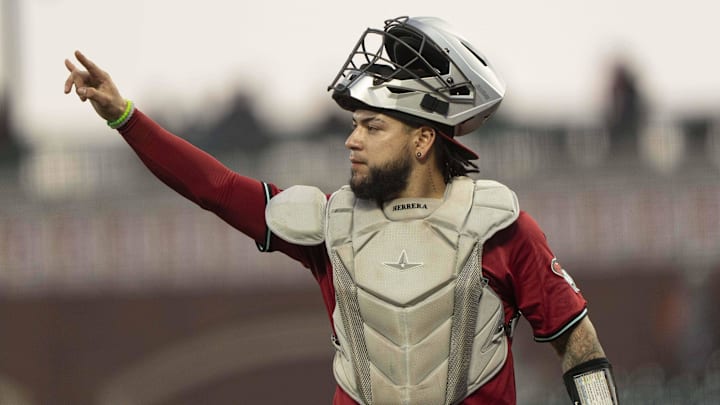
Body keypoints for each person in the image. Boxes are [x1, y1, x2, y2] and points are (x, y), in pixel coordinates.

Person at [64, 16, 618, 405]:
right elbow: (216, 187)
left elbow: (579, 343)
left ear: (423, 139)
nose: (352, 140)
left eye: (372, 126)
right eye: (353, 124)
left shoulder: (501, 227)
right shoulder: (330, 225)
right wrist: (125, 116)